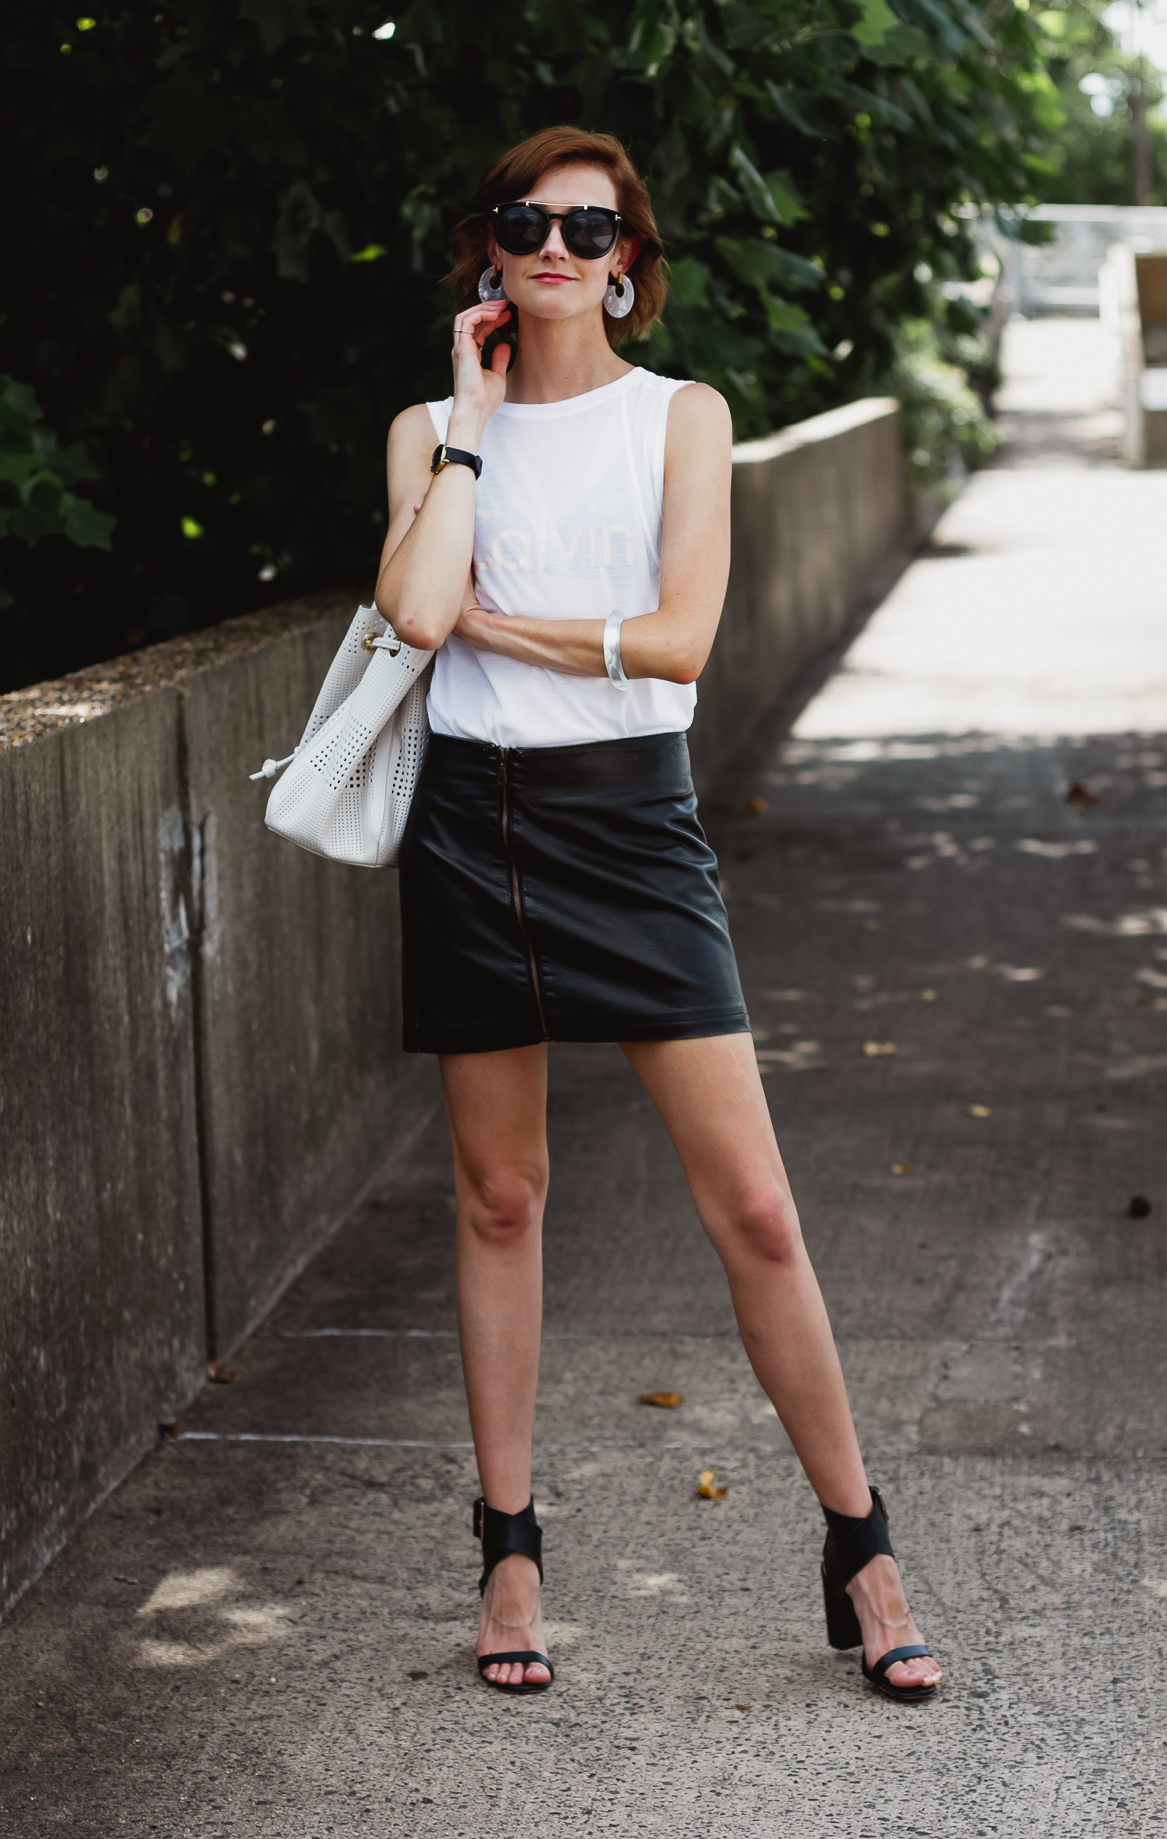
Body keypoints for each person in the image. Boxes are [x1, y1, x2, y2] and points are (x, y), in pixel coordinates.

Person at [373, 126, 941, 1704]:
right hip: (470, 832)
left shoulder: (681, 417)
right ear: (488, 253)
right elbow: (418, 614)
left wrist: (506, 622)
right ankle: (508, 1543)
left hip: (631, 821)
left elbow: (682, 642)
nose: (554, 249)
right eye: (522, 223)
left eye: (586, 228)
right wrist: (475, 429)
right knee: (501, 1196)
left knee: (756, 1208)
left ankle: (861, 1541)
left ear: (629, 259)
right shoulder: (432, 429)